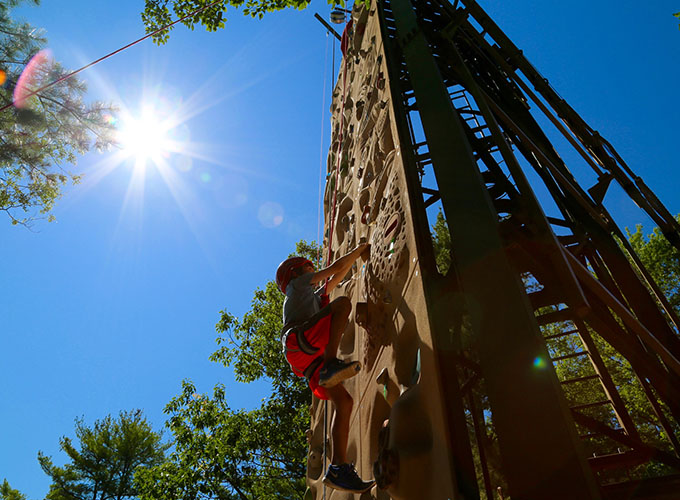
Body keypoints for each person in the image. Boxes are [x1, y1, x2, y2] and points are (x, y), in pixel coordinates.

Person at [277, 243, 375, 494]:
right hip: (300, 341)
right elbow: (335, 267)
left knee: (344, 403)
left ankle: (338, 469)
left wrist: (352, 260)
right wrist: (361, 248)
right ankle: (331, 364)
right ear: (297, 272)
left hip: (308, 361)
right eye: (308, 267)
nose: (313, 268)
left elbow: (337, 276)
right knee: (342, 305)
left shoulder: (309, 296)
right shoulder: (296, 285)